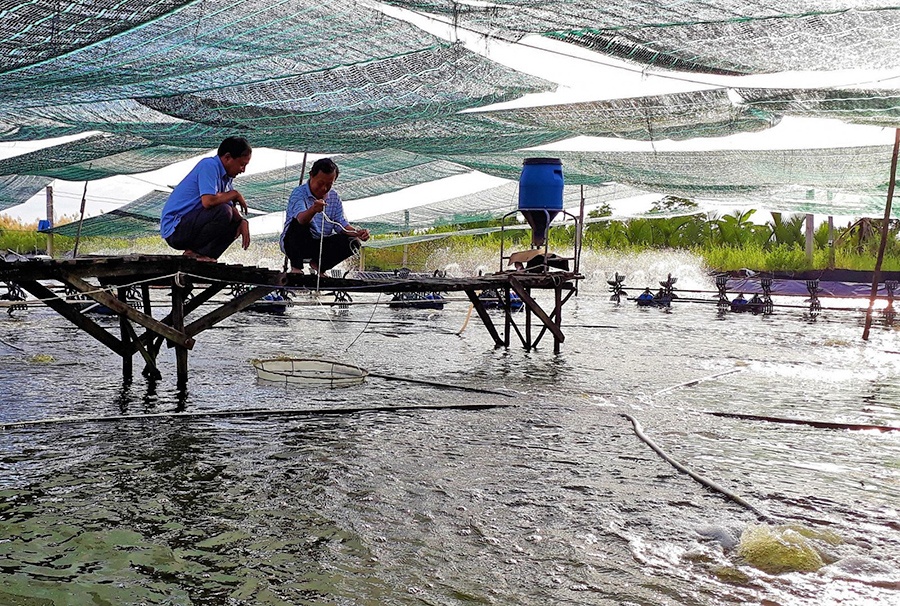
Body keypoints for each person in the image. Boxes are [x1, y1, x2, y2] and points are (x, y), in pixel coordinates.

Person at [160, 136, 252, 261]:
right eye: (242, 164)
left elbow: (231, 207)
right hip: (176, 230)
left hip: (192, 225)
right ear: (228, 157)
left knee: (235, 221)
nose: (243, 170)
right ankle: (194, 252)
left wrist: (243, 222)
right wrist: (235, 194)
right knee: (224, 211)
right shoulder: (209, 165)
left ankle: (206, 255)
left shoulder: (227, 179)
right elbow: (208, 201)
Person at [280, 158, 370, 274]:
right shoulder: (299, 193)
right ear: (311, 175)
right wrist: (313, 210)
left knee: (353, 242)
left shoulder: (334, 197)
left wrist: (357, 233)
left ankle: (319, 265)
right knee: (298, 225)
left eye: (329, 185)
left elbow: (341, 224)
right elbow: (301, 219)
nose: (324, 188)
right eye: (320, 183)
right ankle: (296, 268)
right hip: (297, 243)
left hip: (320, 244)